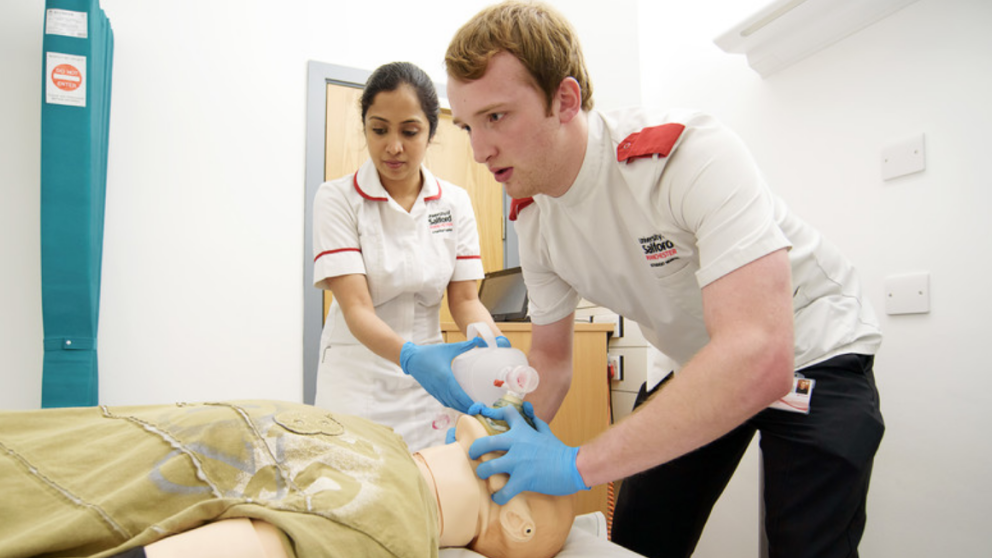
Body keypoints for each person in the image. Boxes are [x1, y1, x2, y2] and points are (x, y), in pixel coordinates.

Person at [443, 2, 885, 557]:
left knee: (805, 545)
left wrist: (573, 463)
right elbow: (551, 365)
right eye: (467, 125)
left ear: (565, 100)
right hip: (700, 360)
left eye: (497, 116)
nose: (479, 150)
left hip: (811, 349)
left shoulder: (685, 155)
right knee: (642, 532)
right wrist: (496, 439)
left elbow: (759, 354)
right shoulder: (534, 219)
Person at [0, 400, 573, 558]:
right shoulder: (385, 444)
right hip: (89, 440)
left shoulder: (392, 527)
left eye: (536, 460)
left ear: (521, 526)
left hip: (52, 484)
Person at [312, 61, 507, 452]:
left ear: (432, 131)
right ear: (365, 127)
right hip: (358, 374)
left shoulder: (454, 201)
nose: (393, 146)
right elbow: (356, 309)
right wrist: (411, 357)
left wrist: (496, 346)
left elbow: (466, 300)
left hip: (429, 381)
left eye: (410, 131)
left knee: (430, 489)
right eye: (379, 129)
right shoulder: (337, 199)